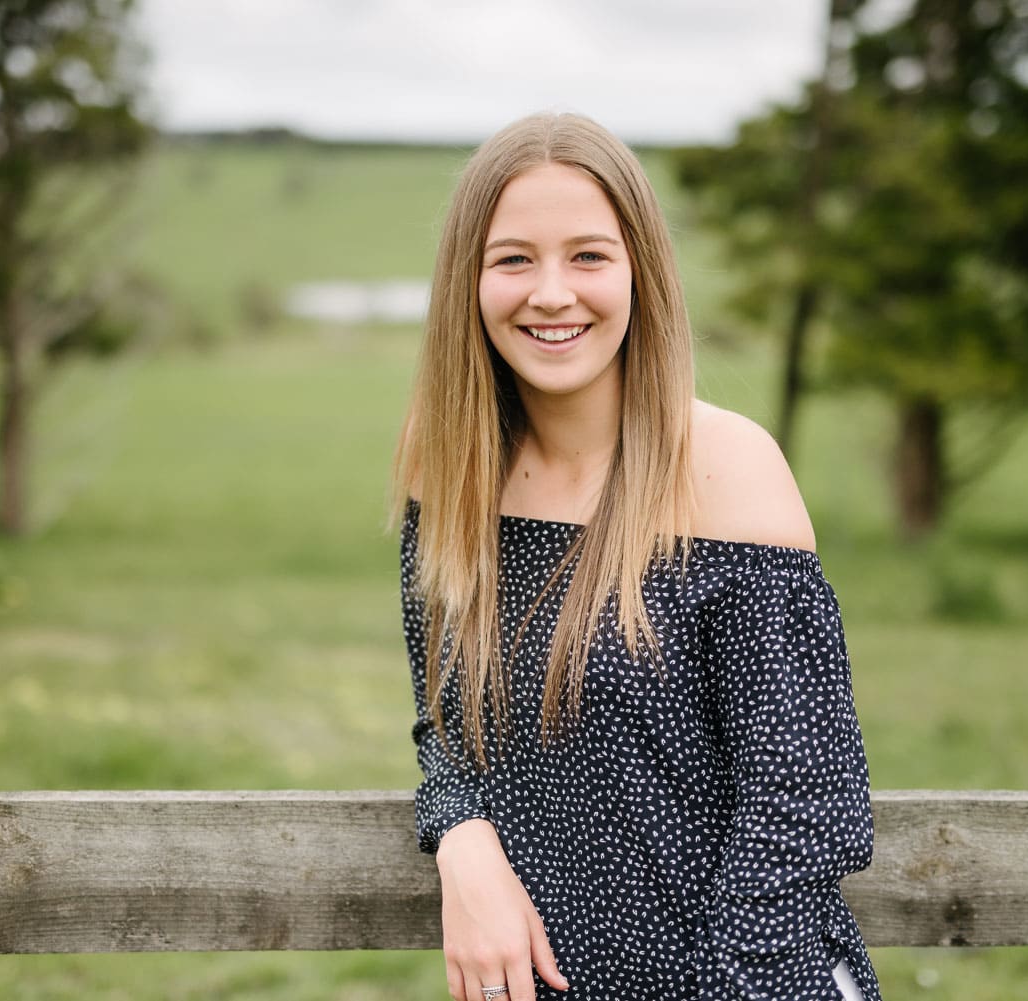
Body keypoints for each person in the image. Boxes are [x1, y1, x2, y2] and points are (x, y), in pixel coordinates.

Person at [392, 112, 879, 1001]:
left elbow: (804, 809)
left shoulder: (729, 470)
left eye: (587, 255)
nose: (550, 293)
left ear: (639, 273)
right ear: (468, 279)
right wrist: (460, 835)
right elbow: (446, 727)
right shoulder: (448, 460)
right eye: (512, 259)